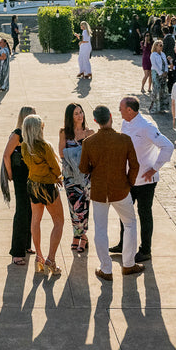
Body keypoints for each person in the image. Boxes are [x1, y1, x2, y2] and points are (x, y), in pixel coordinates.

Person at [78, 106, 143, 281]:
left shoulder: (89, 142)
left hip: (99, 191)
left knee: (100, 228)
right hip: (121, 189)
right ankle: (128, 264)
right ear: (111, 117)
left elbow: (83, 168)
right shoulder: (124, 139)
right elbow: (135, 165)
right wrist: (129, 182)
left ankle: (106, 269)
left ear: (95, 121)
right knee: (130, 224)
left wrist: (95, 170)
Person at [112, 96, 173, 263]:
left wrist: (155, 168)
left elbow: (168, 146)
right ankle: (123, 244)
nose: (119, 111)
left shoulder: (147, 127)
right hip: (128, 179)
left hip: (146, 181)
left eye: (121, 108)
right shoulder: (125, 122)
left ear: (130, 111)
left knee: (144, 214)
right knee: (124, 212)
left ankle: (145, 250)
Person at [18, 114, 64, 277]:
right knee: (58, 222)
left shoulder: (24, 146)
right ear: (38, 129)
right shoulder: (44, 146)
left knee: (35, 221)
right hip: (47, 186)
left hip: (32, 184)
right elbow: (55, 167)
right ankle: (51, 260)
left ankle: (39, 257)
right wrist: (58, 177)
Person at [1, 106, 37, 266]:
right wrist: (10, 174)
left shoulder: (33, 133)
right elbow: (6, 154)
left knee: (30, 210)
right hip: (20, 176)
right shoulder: (18, 134)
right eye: (32, 115)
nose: (35, 117)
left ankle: (26, 245)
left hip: (31, 176)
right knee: (22, 211)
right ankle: (16, 252)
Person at [58, 103, 94, 254]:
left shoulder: (90, 133)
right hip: (70, 176)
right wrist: (79, 153)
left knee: (84, 206)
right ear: (70, 117)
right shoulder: (64, 133)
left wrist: (74, 153)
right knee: (73, 207)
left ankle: (83, 236)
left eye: (81, 112)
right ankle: (76, 234)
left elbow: (94, 154)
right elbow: (61, 153)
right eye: (76, 114)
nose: (80, 116)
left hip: (85, 176)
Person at [149, 40, 171, 113]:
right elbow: (154, 65)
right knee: (157, 89)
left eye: (162, 45)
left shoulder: (163, 54)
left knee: (163, 90)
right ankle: (155, 107)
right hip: (156, 73)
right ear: (156, 46)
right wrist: (160, 73)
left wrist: (166, 71)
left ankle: (162, 107)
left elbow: (165, 63)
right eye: (160, 45)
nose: (161, 47)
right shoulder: (153, 55)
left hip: (163, 74)